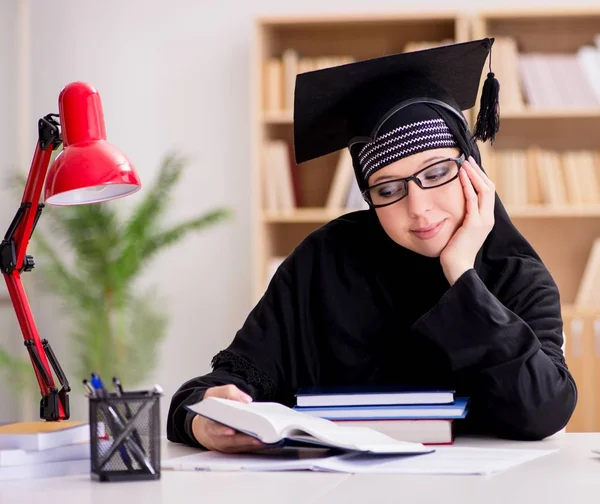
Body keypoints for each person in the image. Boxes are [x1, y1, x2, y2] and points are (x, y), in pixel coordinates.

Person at [167, 38, 577, 453]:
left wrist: (462, 276)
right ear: (367, 197)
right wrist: (202, 419)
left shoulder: (517, 275)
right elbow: (221, 389)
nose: (417, 207)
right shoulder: (322, 264)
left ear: (473, 170)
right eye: (388, 189)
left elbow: (544, 411)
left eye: (436, 173)